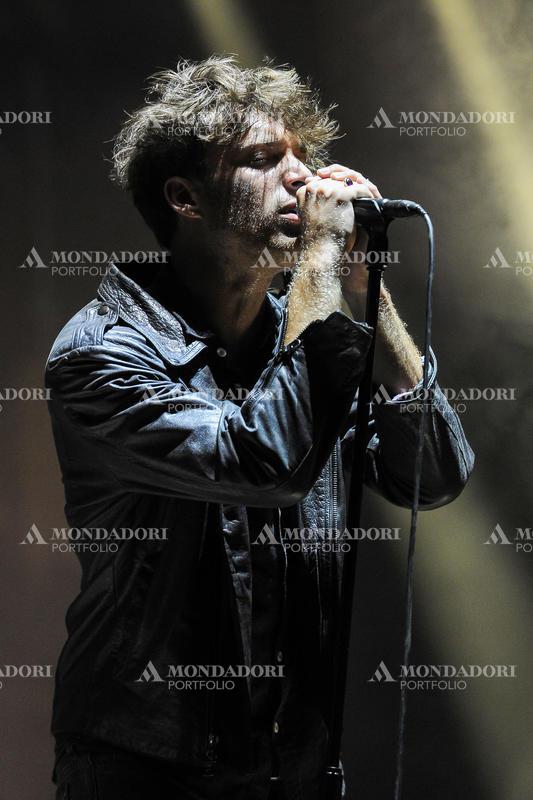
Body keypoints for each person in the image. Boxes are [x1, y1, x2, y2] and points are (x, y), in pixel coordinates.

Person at [45, 55, 474, 800]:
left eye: (301, 156)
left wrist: (366, 290)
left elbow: (431, 477)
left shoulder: (305, 329)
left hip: (292, 764)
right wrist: (319, 260)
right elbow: (261, 464)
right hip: (148, 765)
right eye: (263, 159)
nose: (303, 179)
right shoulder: (102, 354)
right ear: (184, 197)